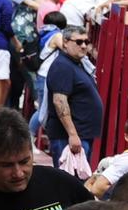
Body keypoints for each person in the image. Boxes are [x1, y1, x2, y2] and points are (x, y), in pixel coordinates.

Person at [43, 23, 105, 170]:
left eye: (86, 42)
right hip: (70, 137)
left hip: (81, 135)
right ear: (65, 42)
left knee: (76, 183)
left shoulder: (76, 64)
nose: (83, 46)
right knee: (67, 183)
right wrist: (72, 135)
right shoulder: (62, 66)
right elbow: (59, 101)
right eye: (78, 42)